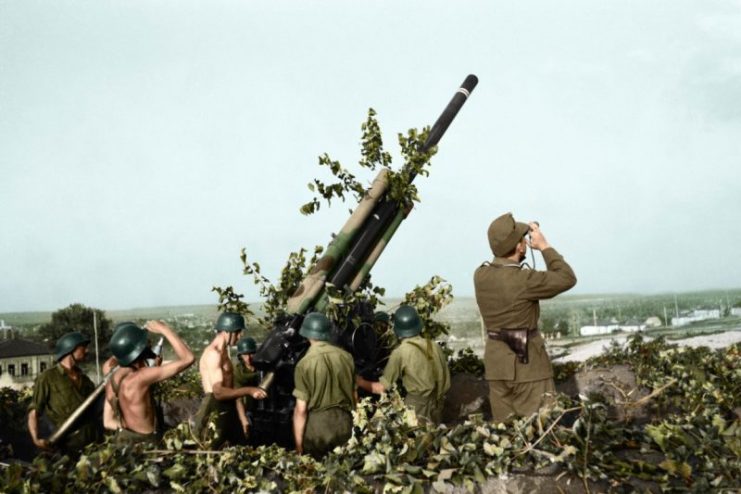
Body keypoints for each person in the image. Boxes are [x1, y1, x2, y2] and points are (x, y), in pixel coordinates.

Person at [474, 212, 576, 422]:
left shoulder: (480, 275)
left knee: (506, 438)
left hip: (497, 366)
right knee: (543, 432)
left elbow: (504, 268)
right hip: (529, 368)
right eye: (522, 241)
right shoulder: (524, 280)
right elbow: (567, 277)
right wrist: (544, 246)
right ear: (520, 247)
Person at [356, 305, 451, 424]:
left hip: (417, 408)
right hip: (437, 405)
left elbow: (380, 388)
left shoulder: (400, 352)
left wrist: (359, 381)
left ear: (398, 330)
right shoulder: (434, 346)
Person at [106, 320, 194, 445]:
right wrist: (164, 329)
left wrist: (153, 369)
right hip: (145, 443)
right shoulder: (142, 377)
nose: (149, 344)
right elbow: (188, 358)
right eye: (145, 343)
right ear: (138, 350)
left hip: (125, 439)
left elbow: (135, 400)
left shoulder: (113, 380)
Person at [195, 312, 266, 448]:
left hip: (228, 407)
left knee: (241, 449)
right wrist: (249, 390)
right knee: (212, 452)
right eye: (238, 332)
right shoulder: (213, 354)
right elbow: (219, 393)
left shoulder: (224, 354)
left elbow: (232, 392)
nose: (240, 336)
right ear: (227, 331)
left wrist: (242, 418)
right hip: (214, 408)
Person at [292, 312, 356, 457]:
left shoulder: (304, 364)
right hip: (344, 424)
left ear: (307, 334)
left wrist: (298, 445)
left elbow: (300, 410)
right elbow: (354, 397)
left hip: (318, 430)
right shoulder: (347, 357)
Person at [27, 331, 101, 454]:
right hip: (68, 444)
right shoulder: (47, 378)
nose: (86, 351)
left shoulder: (85, 380)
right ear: (70, 349)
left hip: (93, 441)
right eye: (83, 347)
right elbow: (34, 411)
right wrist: (36, 439)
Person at [233, 336, 260, 442]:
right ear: (240, 356)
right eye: (245, 354)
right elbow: (238, 398)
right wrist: (244, 420)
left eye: (251, 353)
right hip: (246, 409)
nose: (248, 358)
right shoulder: (238, 373)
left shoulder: (262, 369)